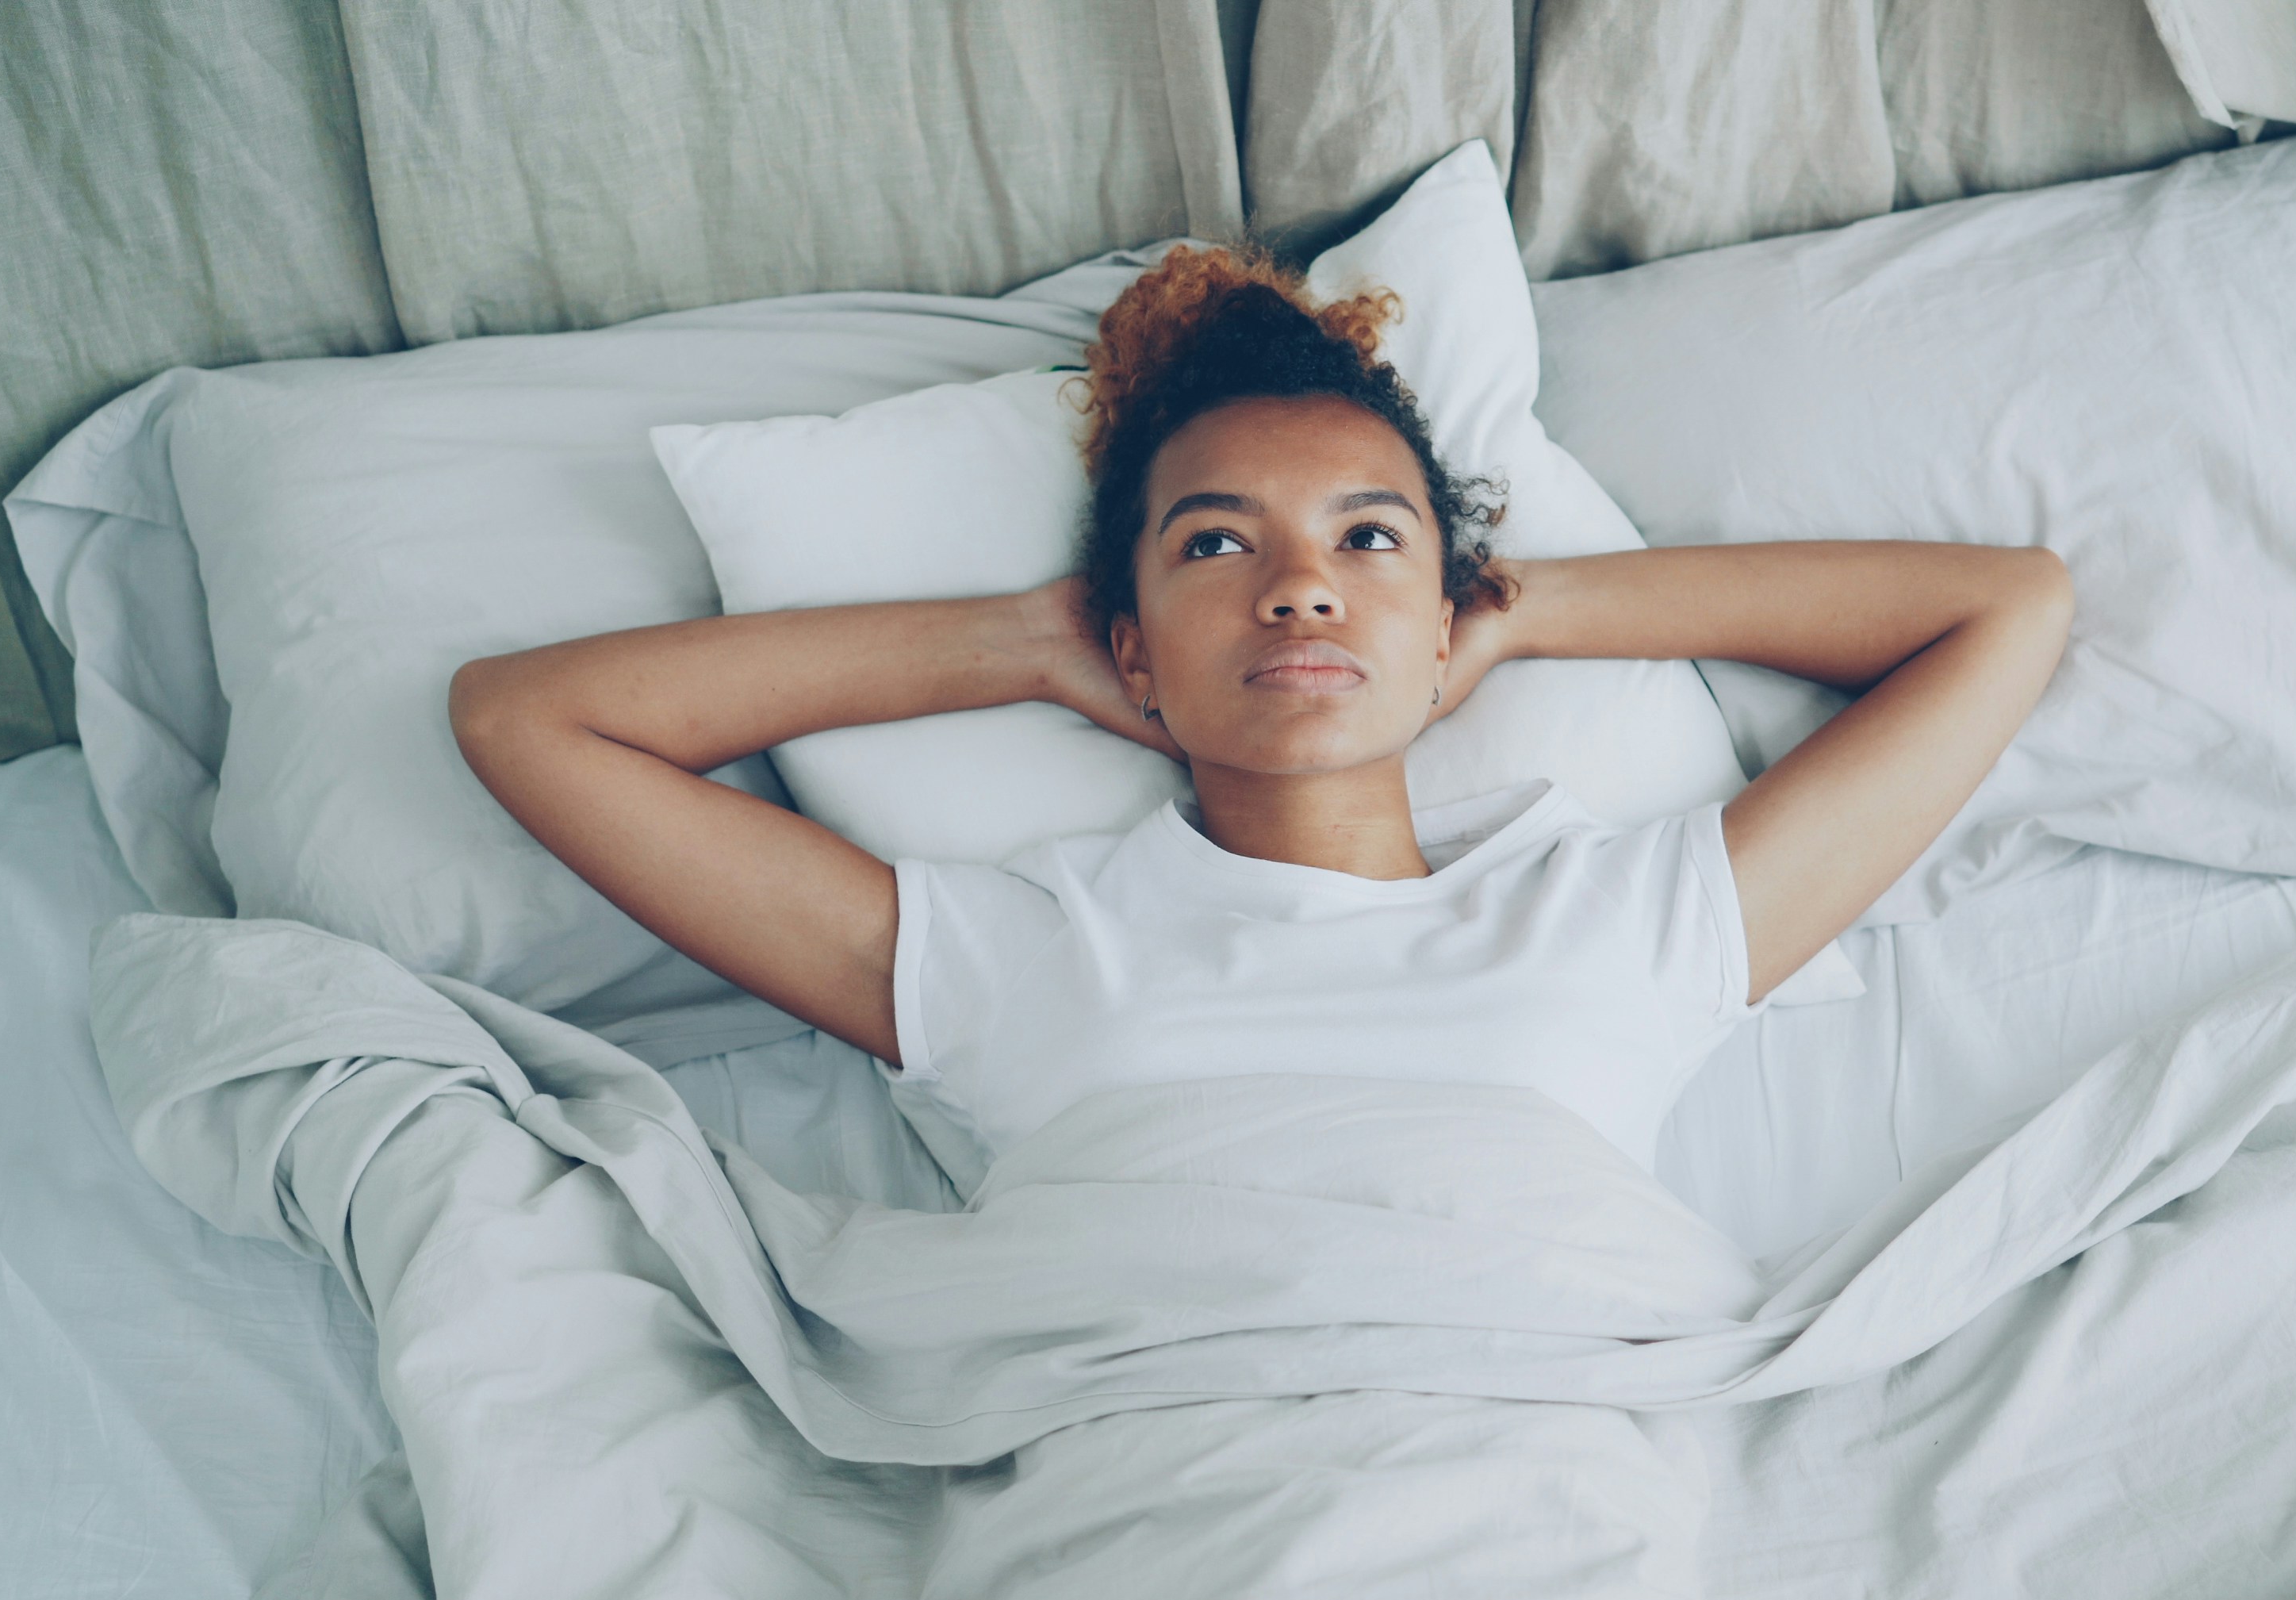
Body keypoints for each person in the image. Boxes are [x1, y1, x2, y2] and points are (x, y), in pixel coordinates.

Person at [450, 247, 2072, 1172]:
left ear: (1442, 609)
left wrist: (1519, 615)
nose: (1299, 589)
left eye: (1368, 540)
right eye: (1216, 545)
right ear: (1134, 641)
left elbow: (2004, 608)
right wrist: (1027, 643)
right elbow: (525, 718)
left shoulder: (1629, 919)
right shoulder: (1012, 956)